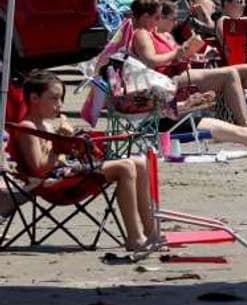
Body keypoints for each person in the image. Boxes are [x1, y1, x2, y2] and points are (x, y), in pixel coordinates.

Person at [14, 71, 158, 253]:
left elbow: (61, 157)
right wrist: (61, 143)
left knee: (140, 162)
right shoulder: (28, 128)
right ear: (34, 98)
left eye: (61, 99)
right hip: (54, 185)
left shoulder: (47, 125)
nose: (60, 105)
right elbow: (39, 168)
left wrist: (72, 144)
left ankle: (151, 231)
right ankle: (135, 237)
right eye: (54, 99)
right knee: (125, 166)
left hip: (68, 174)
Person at [127, 0, 247, 131]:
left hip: (176, 72)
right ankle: (245, 124)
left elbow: (174, 55)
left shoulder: (157, 33)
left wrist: (188, 54)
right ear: (145, 17)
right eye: (157, 17)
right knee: (230, 74)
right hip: (165, 79)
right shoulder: (141, 34)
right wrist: (176, 54)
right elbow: (150, 60)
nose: (158, 21)